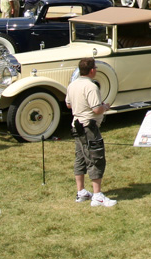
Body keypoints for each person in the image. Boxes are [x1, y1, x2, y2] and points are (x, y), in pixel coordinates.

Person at [66, 57, 116, 207]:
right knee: (96, 158)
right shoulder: (91, 86)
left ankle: (81, 192)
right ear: (92, 70)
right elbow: (96, 109)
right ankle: (97, 195)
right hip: (89, 127)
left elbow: (68, 104)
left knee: (80, 157)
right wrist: (105, 107)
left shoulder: (72, 85)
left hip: (76, 126)